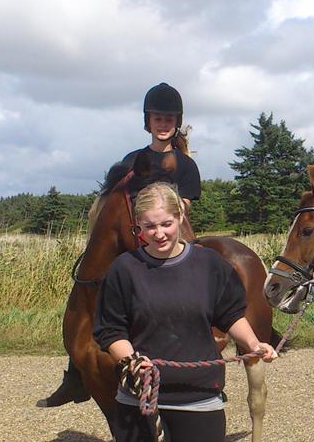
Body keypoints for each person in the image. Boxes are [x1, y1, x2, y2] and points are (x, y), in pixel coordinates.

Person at [95, 181, 277, 442]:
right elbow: (110, 329)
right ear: (137, 228)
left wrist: (253, 344)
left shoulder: (210, 266)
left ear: (180, 219)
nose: (159, 233)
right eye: (148, 226)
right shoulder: (124, 271)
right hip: (139, 400)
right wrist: (130, 361)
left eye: (166, 223)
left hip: (199, 400)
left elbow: (230, 313)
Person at [39, 82, 203, 407]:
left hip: (169, 228)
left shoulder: (185, 166)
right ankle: (76, 372)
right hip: (131, 230)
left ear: (176, 121)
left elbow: (184, 205)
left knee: (195, 278)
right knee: (91, 285)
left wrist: (160, 221)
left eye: (169, 118)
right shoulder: (132, 159)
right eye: (157, 117)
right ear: (148, 121)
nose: (163, 123)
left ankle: (199, 371)